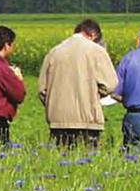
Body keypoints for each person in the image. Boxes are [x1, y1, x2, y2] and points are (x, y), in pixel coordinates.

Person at [38, 19, 119, 148]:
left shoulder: (54, 52)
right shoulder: (96, 51)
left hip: (58, 121)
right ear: (93, 35)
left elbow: (43, 90)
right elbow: (111, 84)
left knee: (62, 159)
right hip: (88, 120)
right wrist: (97, 94)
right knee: (87, 160)